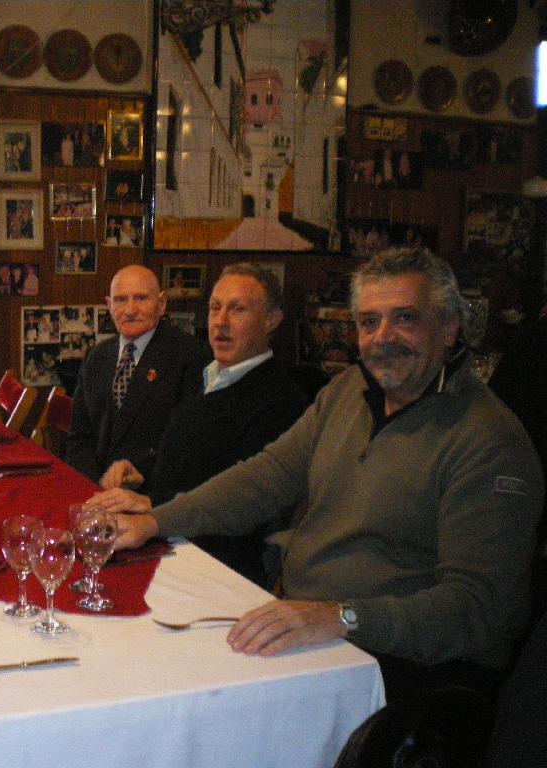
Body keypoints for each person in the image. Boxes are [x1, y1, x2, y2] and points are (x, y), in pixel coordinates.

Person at [107, 248, 544, 703]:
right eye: (369, 322)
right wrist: (155, 521)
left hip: (398, 668)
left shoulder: (489, 441)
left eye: (405, 318)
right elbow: (266, 476)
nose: (383, 337)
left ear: (449, 328)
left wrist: (342, 617)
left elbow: (480, 610)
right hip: (305, 624)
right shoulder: (349, 391)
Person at [90, 263, 307, 587]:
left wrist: (152, 504)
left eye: (238, 310)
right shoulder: (207, 375)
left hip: (213, 565)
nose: (221, 321)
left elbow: (238, 501)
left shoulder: (281, 402)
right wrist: (142, 471)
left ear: (272, 320)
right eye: (215, 308)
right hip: (164, 534)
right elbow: (191, 456)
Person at [66, 264, 206, 486]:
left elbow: (189, 446)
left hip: (153, 492)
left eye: (141, 298)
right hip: (95, 490)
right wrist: (95, 486)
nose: (130, 310)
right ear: (109, 305)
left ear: (161, 304)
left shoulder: (191, 357)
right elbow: (79, 438)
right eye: (121, 300)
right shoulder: (96, 357)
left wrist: (141, 481)